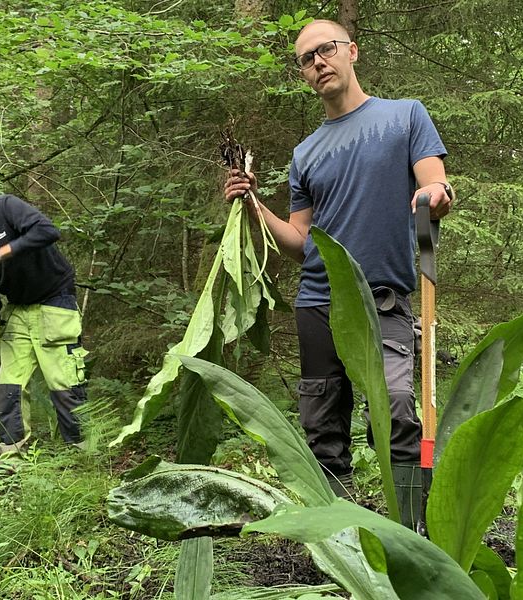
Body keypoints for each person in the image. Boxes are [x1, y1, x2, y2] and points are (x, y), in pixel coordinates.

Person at [224, 20, 453, 528]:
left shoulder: (404, 116)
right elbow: (302, 244)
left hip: (381, 300)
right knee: (321, 426)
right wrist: (254, 206)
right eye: (307, 59)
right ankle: (340, 540)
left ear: (352, 51)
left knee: (395, 412)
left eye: (325, 50)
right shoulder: (305, 153)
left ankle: (413, 532)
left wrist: (434, 197)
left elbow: (433, 185)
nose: (318, 62)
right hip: (317, 302)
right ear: (304, 75)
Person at [0, 186, 87, 458]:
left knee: (64, 384)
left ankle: (80, 455)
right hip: (19, 309)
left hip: (55, 301)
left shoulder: (3, 208)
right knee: (8, 389)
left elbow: (47, 231)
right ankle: (13, 458)